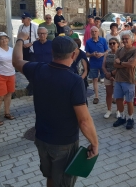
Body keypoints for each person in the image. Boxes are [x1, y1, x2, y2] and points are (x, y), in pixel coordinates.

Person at [13, 32, 99, 187]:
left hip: (41, 138)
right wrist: (94, 143)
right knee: (64, 183)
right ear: (73, 54)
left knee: (51, 177)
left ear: (52, 52)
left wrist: (20, 39)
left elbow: (17, 61)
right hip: (64, 143)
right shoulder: (75, 81)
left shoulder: (38, 69)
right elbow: (84, 120)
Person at [112, 30, 136, 130]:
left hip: (129, 79)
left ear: (131, 39)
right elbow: (114, 64)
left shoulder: (135, 50)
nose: (124, 40)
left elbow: (133, 64)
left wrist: (120, 63)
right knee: (118, 99)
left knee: (129, 101)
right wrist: (125, 63)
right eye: (123, 39)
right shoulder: (119, 50)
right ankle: (122, 117)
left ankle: (130, 118)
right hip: (118, 79)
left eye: (126, 38)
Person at [85, 26, 108, 104]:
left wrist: (102, 54)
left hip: (103, 62)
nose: (94, 33)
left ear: (98, 32)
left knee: (106, 78)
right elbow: (87, 54)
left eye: (95, 31)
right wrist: (92, 54)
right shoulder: (88, 42)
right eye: (92, 32)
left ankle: (110, 96)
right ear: (90, 33)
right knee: (95, 79)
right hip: (93, 63)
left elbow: (107, 51)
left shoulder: (103, 40)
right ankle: (96, 96)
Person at [102, 38, 120, 118]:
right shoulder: (107, 54)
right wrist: (106, 73)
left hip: (118, 76)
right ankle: (109, 110)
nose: (112, 45)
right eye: (110, 43)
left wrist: (112, 74)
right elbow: (103, 65)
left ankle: (118, 110)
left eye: (113, 43)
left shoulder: (120, 54)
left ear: (117, 44)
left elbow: (121, 67)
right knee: (108, 94)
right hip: (108, 76)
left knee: (118, 95)